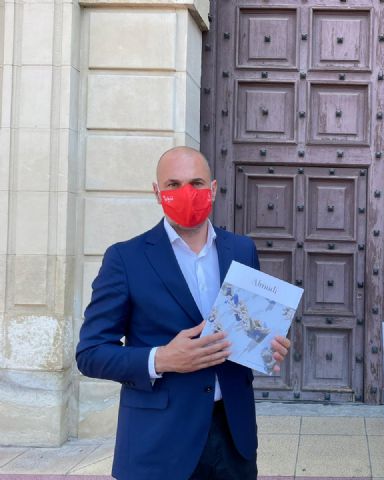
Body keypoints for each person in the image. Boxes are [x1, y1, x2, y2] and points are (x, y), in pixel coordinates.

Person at [76, 146, 291, 480]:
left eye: (196, 183)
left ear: (213, 189)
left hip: (233, 438)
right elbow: (90, 353)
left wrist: (269, 344)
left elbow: (250, 329)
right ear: (157, 192)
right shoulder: (125, 258)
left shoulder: (242, 249)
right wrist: (161, 359)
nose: (186, 193)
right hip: (159, 442)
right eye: (173, 184)